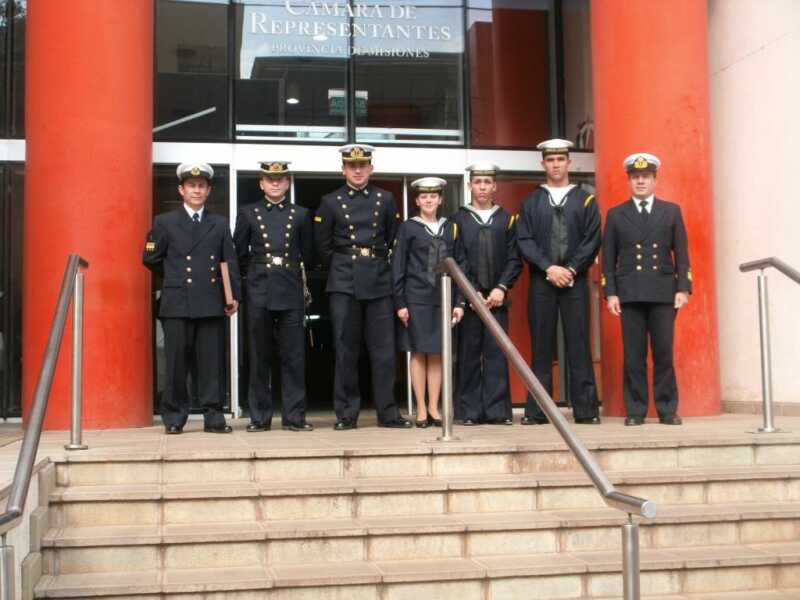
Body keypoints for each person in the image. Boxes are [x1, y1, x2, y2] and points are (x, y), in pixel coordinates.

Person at [314, 144, 411, 430]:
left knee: (383, 350)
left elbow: (393, 239)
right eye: (351, 165)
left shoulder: (386, 198)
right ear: (343, 169)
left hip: (379, 279)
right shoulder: (330, 201)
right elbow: (322, 246)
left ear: (371, 168)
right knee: (346, 350)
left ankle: (388, 413)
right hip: (345, 281)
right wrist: (347, 263)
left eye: (362, 165)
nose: (357, 170)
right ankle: (346, 414)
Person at [143, 162, 240, 434]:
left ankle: (214, 417)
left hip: (210, 301)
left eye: (201, 186)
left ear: (208, 191)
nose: (196, 190)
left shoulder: (219, 223)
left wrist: (233, 296)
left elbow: (228, 262)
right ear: (181, 190)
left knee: (211, 363)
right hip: (177, 302)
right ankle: (174, 418)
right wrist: (174, 278)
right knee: (175, 364)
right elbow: (150, 257)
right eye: (191, 186)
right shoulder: (164, 222)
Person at [516, 138, 602, 425]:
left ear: (568, 162)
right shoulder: (531, 201)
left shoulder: (585, 200)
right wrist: (548, 267)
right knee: (540, 346)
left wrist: (572, 269)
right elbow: (524, 241)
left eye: (560, 160)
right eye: (550, 160)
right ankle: (537, 411)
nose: (555, 165)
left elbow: (592, 240)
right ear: (543, 164)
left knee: (579, 345)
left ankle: (586, 410)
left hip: (575, 283)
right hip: (542, 282)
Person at [602, 152, 691, 426]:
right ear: (629, 180)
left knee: (663, 353)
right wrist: (611, 293)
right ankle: (636, 410)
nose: (640, 181)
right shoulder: (616, 214)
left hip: (663, 292)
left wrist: (683, 287)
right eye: (635, 177)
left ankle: (667, 409)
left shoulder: (671, 211)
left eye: (645, 177)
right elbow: (608, 258)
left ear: (654, 179)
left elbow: (682, 253)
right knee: (633, 356)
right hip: (630, 294)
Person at [233, 161, 313, 432]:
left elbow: (309, 255)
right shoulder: (248, 213)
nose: (275, 183)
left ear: (288, 183)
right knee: (259, 355)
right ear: (261, 183)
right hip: (260, 288)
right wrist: (251, 280)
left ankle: (295, 417)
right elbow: (238, 255)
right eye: (270, 179)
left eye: (280, 179)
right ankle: (259, 417)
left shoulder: (300, 214)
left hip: (290, 287)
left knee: (294, 355)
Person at [452, 161, 522, 425]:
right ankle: (469, 412)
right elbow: (457, 260)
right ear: (470, 185)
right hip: (470, 301)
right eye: (477, 182)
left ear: (495, 186)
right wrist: (471, 293)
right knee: (468, 356)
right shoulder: (458, 219)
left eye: (487, 182)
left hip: (497, 300)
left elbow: (515, 259)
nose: (482, 187)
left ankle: (497, 412)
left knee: (496, 354)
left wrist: (501, 288)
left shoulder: (507, 219)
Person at [392, 177, 464, 428]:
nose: (429, 200)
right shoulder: (408, 227)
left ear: (441, 199)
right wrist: (400, 301)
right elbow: (398, 265)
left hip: (441, 298)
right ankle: (421, 408)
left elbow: (459, 267)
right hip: (416, 298)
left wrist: (459, 302)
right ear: (417, 200)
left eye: (433, 196)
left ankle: (434, 406)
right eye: (424, 196)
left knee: (437, 353)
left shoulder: (450, 227)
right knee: (418, 352)